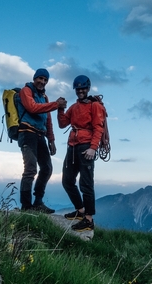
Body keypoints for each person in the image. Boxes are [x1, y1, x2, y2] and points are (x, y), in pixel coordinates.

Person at [57, 75, 105, 231]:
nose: (81, 91)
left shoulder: (95, 106)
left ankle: (89, 219)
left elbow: (99, 127)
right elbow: (62, 123)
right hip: (72, 146)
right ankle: (80, 210)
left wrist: (93, 148)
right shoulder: (74, 107)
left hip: (86, 147)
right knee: (67, 181)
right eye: (78, 89)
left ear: (88, 88)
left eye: (83, 88)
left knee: (86, 184)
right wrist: (60, 108)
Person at [16, 68, 67, 213]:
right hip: (27, 133)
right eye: (40, 79)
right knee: (30, 169)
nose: (42, 82)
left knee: (47, 168)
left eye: (45, 80)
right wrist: (56, 105)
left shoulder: (44, 98)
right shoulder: (26, 91)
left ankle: (38, 202)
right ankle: (26, 207)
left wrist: (51, 140)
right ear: (34, 78)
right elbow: (32, 108)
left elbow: (48, 120)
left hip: (40, 135)